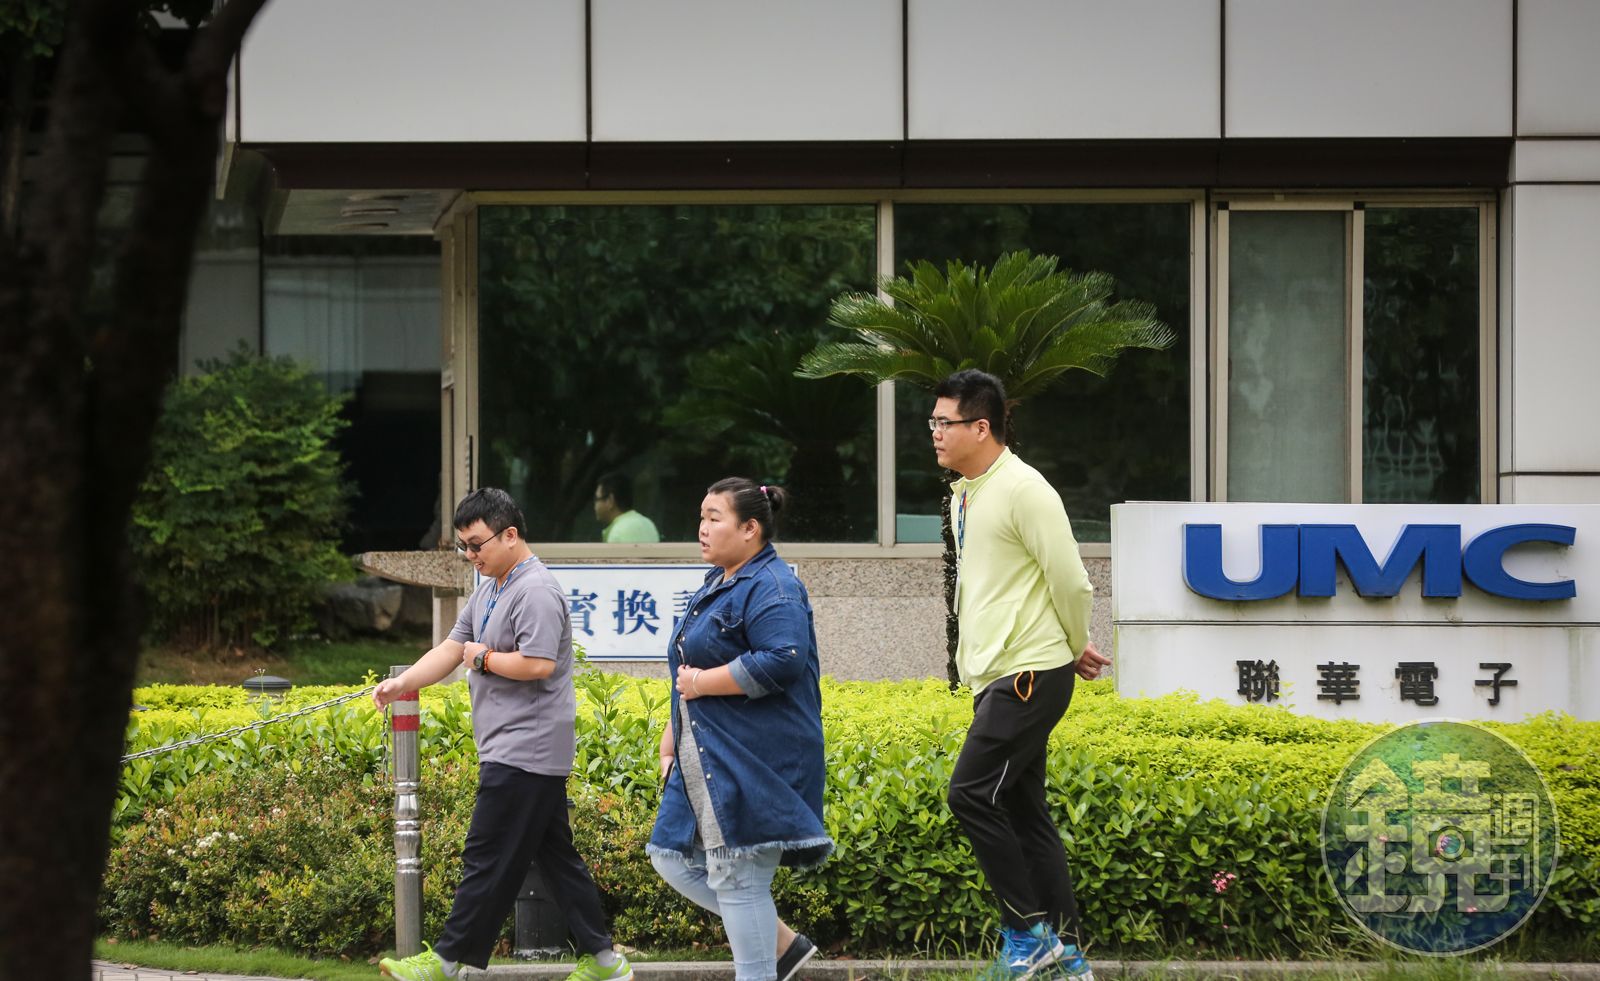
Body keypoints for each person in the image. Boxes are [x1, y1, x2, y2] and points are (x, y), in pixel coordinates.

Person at [373, 488, 631, 981]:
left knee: (485, 854)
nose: (471, 555)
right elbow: (453, 647)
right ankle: (605, 963)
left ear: (510, 535)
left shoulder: (535, 590)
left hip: (525, 749)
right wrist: (403, 683)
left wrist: (484, 658)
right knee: (556, 859)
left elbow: (537, 664)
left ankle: (446, 963)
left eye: (477, 545)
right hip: (514, 749)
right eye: (464, 547)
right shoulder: (491, 587)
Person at [929, 370, 1112, 981]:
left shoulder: (1025, 489)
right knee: (1024, 809)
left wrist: (1074, 643)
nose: (935, 433)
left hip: (1029, 672)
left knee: (969, 793)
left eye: (945, 422)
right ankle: (1069, 957)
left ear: (981, 427)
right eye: (933, 422)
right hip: (1002, 673)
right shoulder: (966, 492)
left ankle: (1027, 935)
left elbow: (1071, 581)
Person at [648, 478, 830, 981]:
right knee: (674, 859)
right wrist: (672, 739)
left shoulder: (774, 586)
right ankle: (783, 946)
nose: (702, 528)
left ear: (750, 528)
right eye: (701, 517)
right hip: (708, 757)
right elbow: (686, 669)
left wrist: (703, 683)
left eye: (714, 518)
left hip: (755, 760)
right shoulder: (720, 581)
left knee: (738, 880)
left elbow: (783, 659)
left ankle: (764, 968)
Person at [595, 472, 660, 543]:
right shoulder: (649, 524)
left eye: (596, 499)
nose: (595, 505)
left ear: (610, 501)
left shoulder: (617, 532)